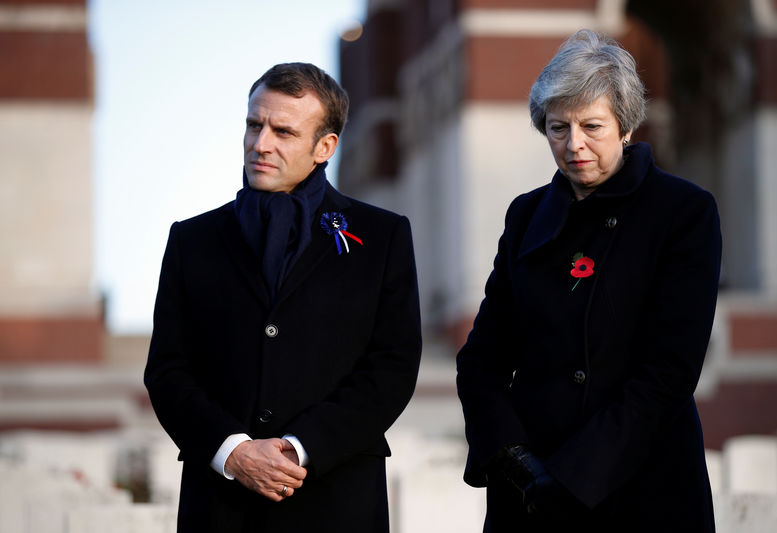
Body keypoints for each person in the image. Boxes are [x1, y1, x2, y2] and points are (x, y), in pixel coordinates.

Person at [456, 29, 721, 531]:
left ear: (625, 126)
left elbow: (670, 370)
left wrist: (576, 474)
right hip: (530, 492)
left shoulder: (683, 212)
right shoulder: (526, 215)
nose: (574, 144)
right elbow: (481, 360)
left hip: (645, 488)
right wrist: (517, 460)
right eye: (559, 128)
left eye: (591, 126)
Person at [144, 62, 421, 532]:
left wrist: (299, 447)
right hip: (220, 506)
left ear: (324, 147)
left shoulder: (382, 236)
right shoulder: (192, 240)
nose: (260, 144)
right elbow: (168, 370)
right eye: (255, 125)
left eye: (283, 131)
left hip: (337, 501)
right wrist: (234, 452)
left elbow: (392, 367)